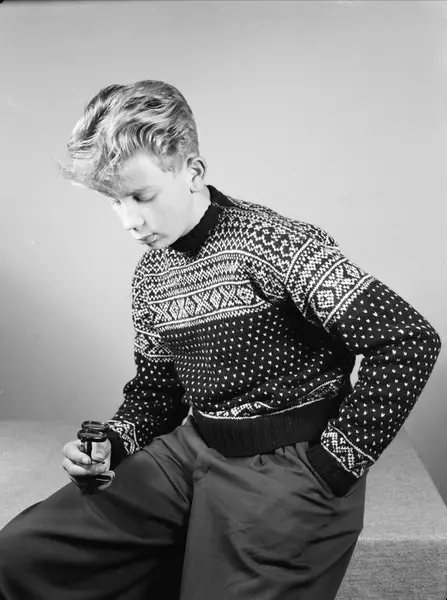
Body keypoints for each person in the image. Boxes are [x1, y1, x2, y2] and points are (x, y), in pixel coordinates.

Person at [0, 80, 441, 600]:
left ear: (192, 172)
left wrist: (335, 465)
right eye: (115, 202)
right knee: (21, 552)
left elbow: (409, 339)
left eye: (141, 196)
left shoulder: (275, 242)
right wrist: (112, 445)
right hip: (192, 449)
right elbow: (158, 391)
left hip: (288, 465)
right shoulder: (150, 274)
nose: (129, 222)